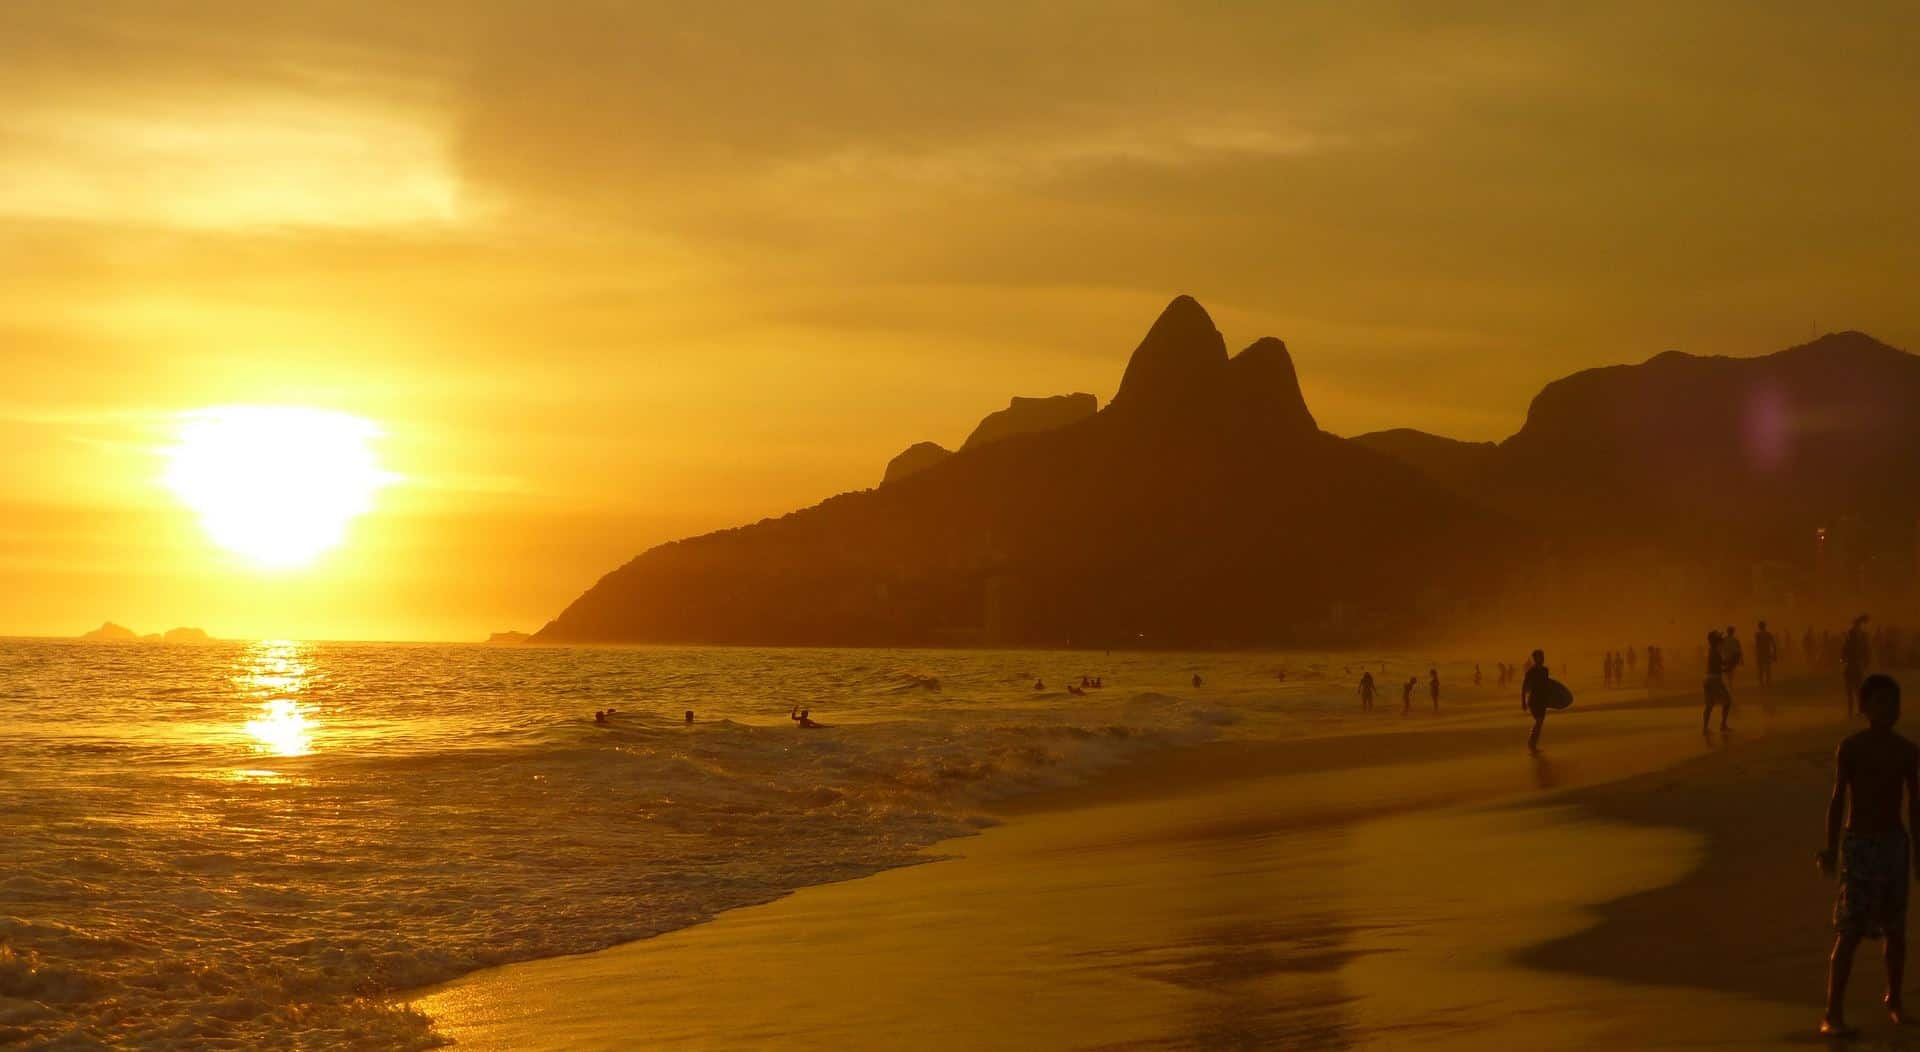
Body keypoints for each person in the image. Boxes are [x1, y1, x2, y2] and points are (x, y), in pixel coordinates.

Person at [1818, 675, 1917, 1036]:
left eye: (1893, 702)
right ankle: (1832, 1011)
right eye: (1879, 702)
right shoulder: (1851, 747)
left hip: (1894, 844)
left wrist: (1917, 852)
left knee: (1896, 929)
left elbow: (1915, 805)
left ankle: (1894, 998)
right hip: (1859, 846)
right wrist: (1830, 848)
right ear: (1864, 708)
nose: (1887, 709)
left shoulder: (1907, 751)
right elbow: (1837, 799)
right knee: (1851, 930)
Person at [1521, 650, 1552, 752]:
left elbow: (1547, 685)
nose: (1542, 658)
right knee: (1538, 721)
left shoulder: (1545, 670)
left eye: (1543, 656)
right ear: (1535, 658)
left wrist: (1550, 699)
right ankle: (1531, 744)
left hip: (1542, 699)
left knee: (1540, 722)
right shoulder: (1531, 672)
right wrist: (1523, 702)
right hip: (1534, 699)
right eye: (1540, 657)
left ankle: (1533, 744)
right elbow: (1524, 686)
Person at [1704, 630, 1732, 734]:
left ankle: (1705, 728)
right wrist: (1730, 665)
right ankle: (1723, 725)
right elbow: (1719, 667)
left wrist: (1727, 665)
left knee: (1709, 705)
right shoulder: (1715, 652)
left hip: (1708, 679)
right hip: (1715, 679)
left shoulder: (1712, 650)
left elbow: (1719, 665)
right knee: (1727, 701)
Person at [1845, 616, 1874, 717]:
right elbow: (1845, 650)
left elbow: (1867, 651)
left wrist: (1866, 662)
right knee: (1852, 690)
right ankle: (1853, 711)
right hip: (1852, 666)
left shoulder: (1861, 636)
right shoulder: (1853, 636)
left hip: (1855, 666)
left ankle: (1858, 711)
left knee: (1856, 690)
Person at [1756, 620, 1778, 687]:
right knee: (1768, 668)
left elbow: (1757, 645)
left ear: (1759, 627)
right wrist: (1774, 654)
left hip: (1760, 653)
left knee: (1760, 669)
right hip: (1767, 653)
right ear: (1765, 626)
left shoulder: (1757, 635)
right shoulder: (1768, 634)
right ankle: (1768, 682)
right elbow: (1774, 644)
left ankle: (1761, 683)